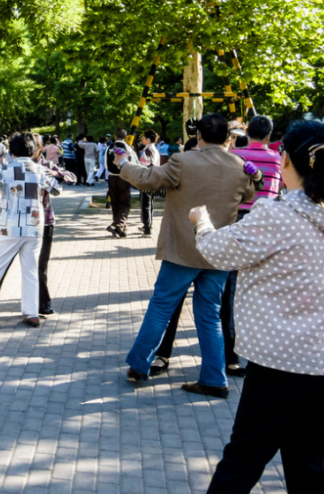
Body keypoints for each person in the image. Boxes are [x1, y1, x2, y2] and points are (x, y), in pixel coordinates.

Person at [198, 120, 324, 493]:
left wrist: (202, 222)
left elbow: (218, 251)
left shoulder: (278, 214)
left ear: (285, 158)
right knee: (306, 461)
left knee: (242, 460)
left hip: (284, 362)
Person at [118, 113, 256, 398]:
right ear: (228, 138)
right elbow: (247, 196)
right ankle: (214, 379)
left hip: (183, 250)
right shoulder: (240, 165)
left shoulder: (183, 161)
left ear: (200, 136)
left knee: (161, 307)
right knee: (210, 315)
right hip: (218, 253)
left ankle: (139, 364)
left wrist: (123, 164)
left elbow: (147, 180)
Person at [0, 133, 62, 327]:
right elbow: (57, 189)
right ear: (33, 150)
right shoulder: (40, 170)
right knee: (30, 271)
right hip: (34, 226)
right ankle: (31, 313)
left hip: (9, 227)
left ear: (12, 151)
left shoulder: (4, 169)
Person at [219, 115, 283, 377]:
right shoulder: (278, 159)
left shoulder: (234, 155)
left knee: (231, 291)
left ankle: (230, 355)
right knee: (263, 289)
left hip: (236, 223)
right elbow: (277, 193)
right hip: (266, 226)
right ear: (269, 136)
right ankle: (260, 351)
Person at [105, 132, 136, 238]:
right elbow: (132, 163)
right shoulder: (127, 147)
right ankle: (117, 225)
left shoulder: (109, 147)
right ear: (126, 137)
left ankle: (120, 229)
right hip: (123, 177)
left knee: (115, 203)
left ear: (115, 136)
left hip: (112, 177)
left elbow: (105, 163)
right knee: (125, 203)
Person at [137, 130, 161, 236]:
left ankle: (148, 229)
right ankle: (147, 226)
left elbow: (149, 164)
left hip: (148, 178)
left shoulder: (148, 150)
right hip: (153, 178)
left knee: (146, 204)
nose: (142, 138)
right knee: (149, 203)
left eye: (143, 137)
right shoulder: (152, 148)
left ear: (148, 139)